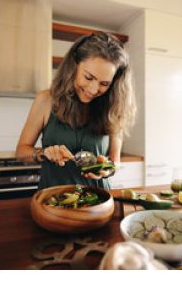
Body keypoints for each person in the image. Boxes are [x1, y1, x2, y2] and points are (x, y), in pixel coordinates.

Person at [16, 31, 136, 190]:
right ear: (74, 65)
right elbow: (21, 152)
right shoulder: (46, 100)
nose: (93, 90)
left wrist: (106, 170)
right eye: (88, 77)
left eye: (104, 84)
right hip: (53, 200)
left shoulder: (113, 108)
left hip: (98, 201)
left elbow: (115, 162)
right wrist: (43, 153)